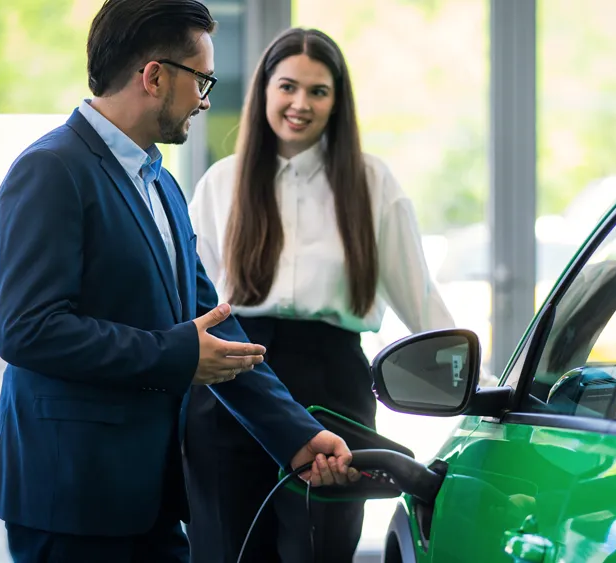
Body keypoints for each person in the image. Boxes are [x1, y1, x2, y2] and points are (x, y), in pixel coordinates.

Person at [0, 3, 356, 562]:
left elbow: (213, 328)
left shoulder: (162, 184)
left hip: (152, 497)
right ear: (155, 77)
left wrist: (297, 435)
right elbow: (27, 330)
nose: (205, 100)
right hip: (71, 497)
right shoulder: (51, 169)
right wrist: (177, 354)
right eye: (202, 80)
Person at [185, 27, 456, 563]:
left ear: (337, 101)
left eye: (318, 91)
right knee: (224, 551)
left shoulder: (373, 183)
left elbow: (421, 299)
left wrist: (477, 384)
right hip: (233, 383)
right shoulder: (221, 182)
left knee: (319, 551)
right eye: (287, 87)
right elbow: (192, 301)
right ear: (264, 90)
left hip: (332, 388)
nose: (300, 104)